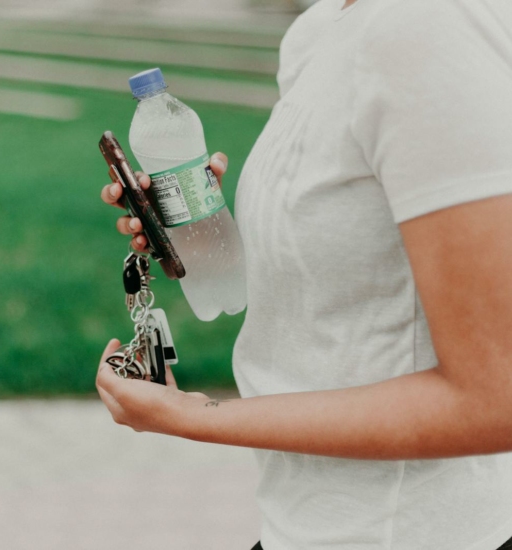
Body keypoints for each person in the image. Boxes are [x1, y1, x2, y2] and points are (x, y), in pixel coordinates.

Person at [97, 0, 512, 548]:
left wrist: (194, 415)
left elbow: (495, 398)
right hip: (298, 527)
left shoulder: (426, 22)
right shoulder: (316, 32)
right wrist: (192, 230)